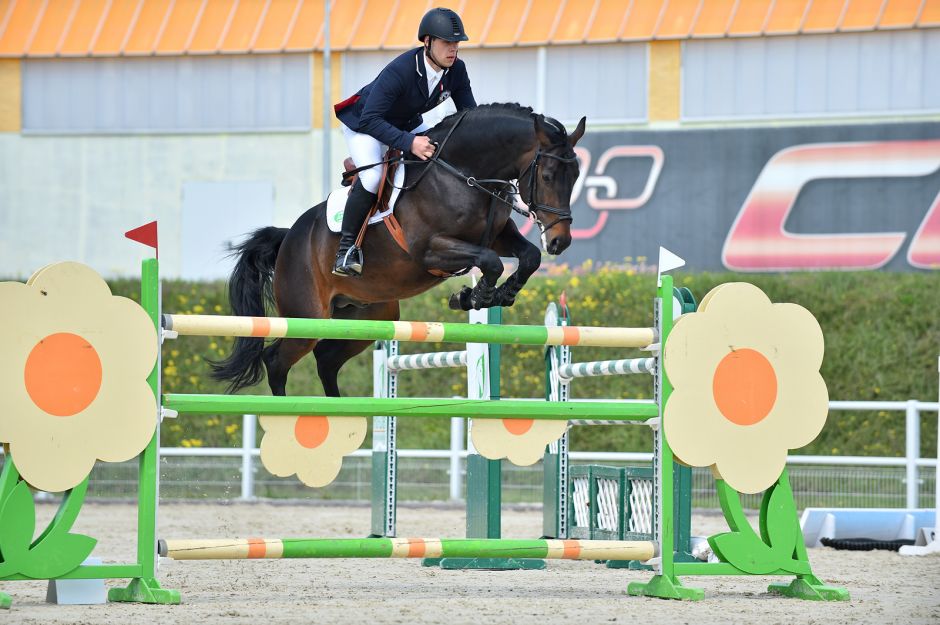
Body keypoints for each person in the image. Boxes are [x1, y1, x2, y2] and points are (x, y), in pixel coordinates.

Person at [331, 7, 477, 277]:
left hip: (404, 122)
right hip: (365, 124)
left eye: (457, 43)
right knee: (373, 177)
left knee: (439, 153)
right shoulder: (401, 70)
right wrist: (410, 143)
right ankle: (346, 250)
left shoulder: (457, 70)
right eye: (447, 42)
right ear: (427, 42)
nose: (453, 49)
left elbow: (470, 116)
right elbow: (371, 120)